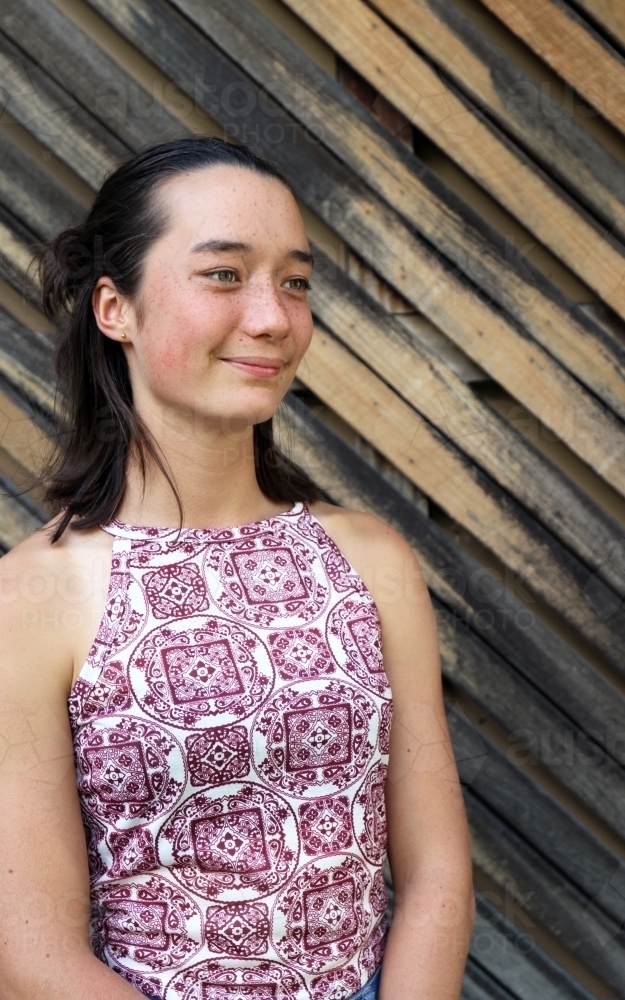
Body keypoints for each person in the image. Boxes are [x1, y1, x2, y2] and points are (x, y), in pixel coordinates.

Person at [0, 136, 474, 1000]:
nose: (271, 318)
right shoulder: (36, 594)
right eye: (224, 275)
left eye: (293, 282)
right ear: (116, 308)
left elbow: (437, 872)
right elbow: (31, 954)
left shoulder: (370, 560)